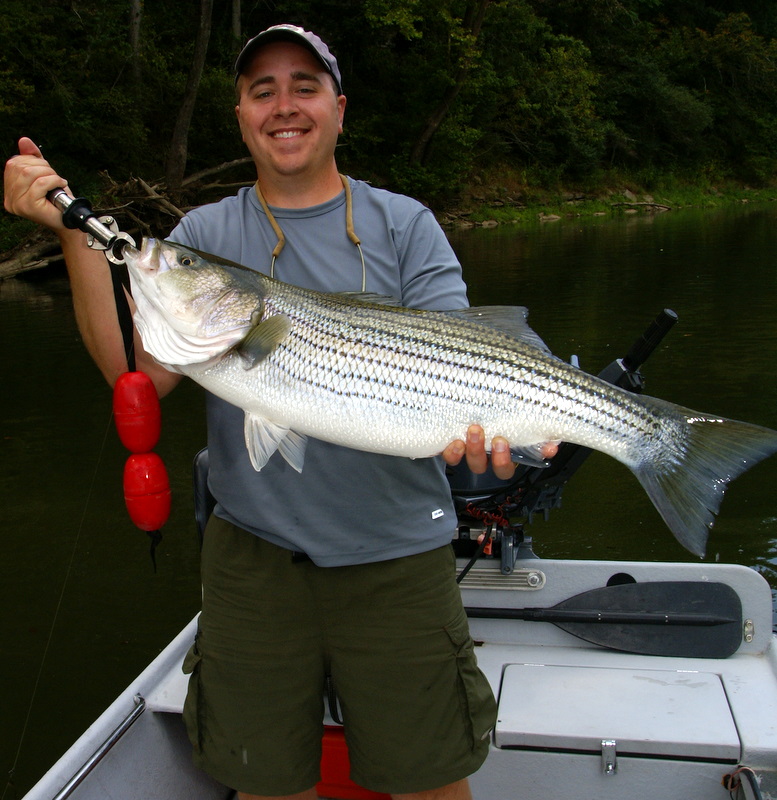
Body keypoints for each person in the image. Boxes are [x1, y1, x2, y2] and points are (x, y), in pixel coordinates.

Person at [4, 24, 555, 800]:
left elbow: (463, 358)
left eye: (304, 86)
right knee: (265, 786)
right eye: (262, 90)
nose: (283, 106)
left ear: (338, 108)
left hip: (397, 560)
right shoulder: (203, 234)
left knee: (431, 781)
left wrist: (495, 438)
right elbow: (135, 375)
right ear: (239, 115)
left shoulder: (404, 225)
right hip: (253, 565)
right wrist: (70, 238)